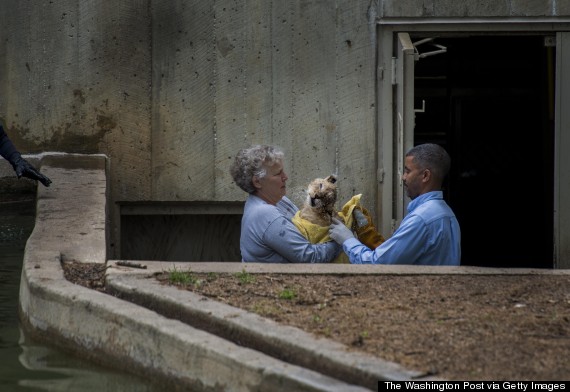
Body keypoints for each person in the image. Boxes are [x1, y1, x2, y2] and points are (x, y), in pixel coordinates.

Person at [329, 143, 460, 265]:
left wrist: (347, 239)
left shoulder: (422, 219)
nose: (403, 177)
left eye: (408, 171)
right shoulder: (447, 214)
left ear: (425, 176)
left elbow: (378, 264)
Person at [229, 144, 341, 263]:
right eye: (278, 174)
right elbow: (310, 258)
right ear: (257, 182)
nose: (285, 177)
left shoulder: (278, 200)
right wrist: (343, 241)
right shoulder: (264, 214)